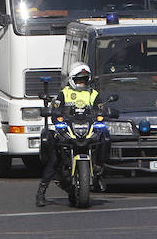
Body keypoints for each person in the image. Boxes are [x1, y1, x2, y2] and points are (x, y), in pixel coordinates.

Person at [35, 62, 111, 207]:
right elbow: (55, 110)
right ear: (72, 79)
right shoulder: (64, 93)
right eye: (78, 80)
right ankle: (41, 192)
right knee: (54, 159)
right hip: (69, 130)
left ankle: (99, 168)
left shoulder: (93, 94)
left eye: (84, 80)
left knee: (105, 136)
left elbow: (101, 109)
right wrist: (56, 117)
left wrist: (104, 114)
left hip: (87, 128)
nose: (81, 83)